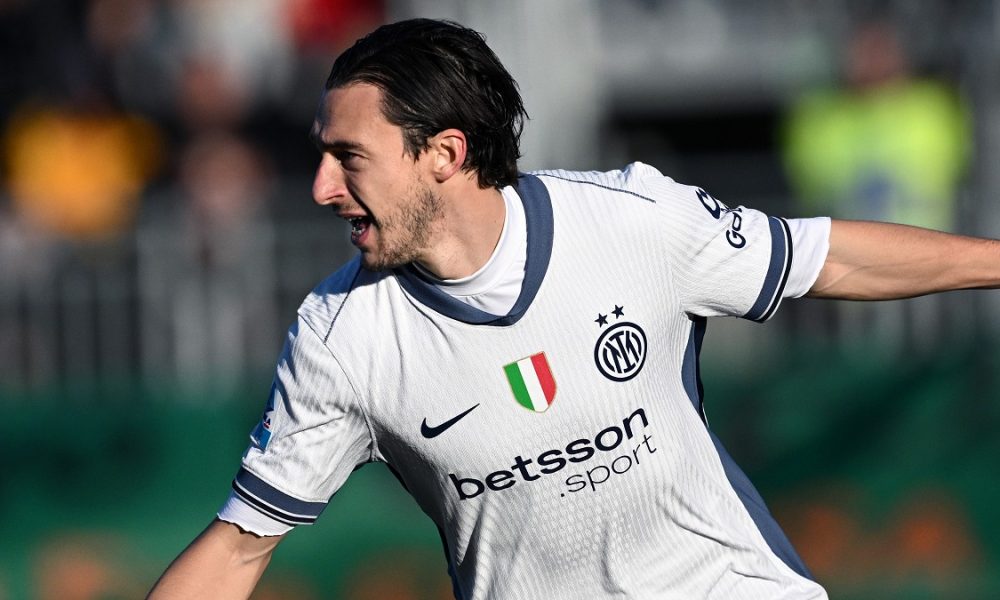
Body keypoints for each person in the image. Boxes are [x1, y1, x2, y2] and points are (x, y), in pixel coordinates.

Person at [148, 19, 1000, 600]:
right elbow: (239, 549)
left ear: (443, 153)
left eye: (350, 157)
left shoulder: (629, 218)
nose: (321, 187)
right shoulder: (341, 337)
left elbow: (827, 256)